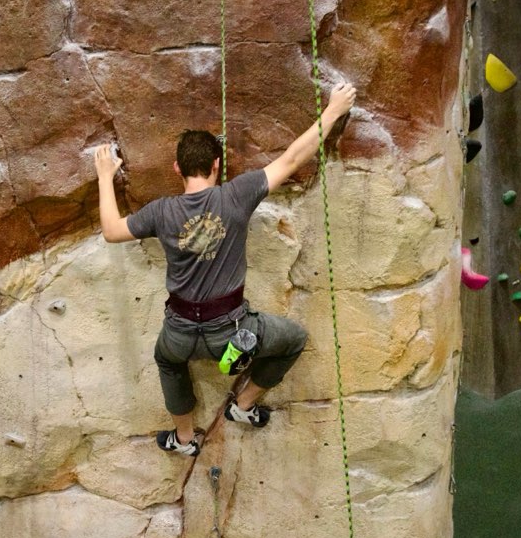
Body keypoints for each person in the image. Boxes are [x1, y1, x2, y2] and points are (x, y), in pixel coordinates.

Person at [94, 82, 357, 457]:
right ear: (217, 165)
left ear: (177, 169)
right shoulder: (237, 194)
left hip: (180, 333)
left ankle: (184, 439)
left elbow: (111, 230)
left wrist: (105, 175)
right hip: (232, 333)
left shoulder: (161, 211)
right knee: (294, 339)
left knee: (167, 361)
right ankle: (244, 405)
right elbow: (293, 158)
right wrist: (333, 109)